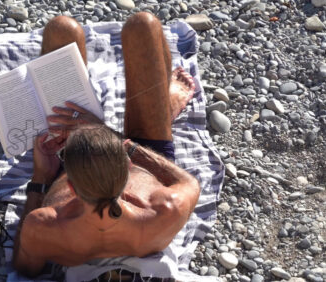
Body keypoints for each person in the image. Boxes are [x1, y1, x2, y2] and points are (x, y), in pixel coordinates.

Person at [12, 12, 200, 278]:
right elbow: (190, 183)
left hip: (83, 159)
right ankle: (164, 110)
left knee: (60, 28)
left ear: (70, 185)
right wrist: (119, 141)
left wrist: (41, 177)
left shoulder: (45, 226)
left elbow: (23, 268)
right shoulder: (164, 210)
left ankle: (160, 109)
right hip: (147, 156)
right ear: (127, 168)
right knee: (143, 24)